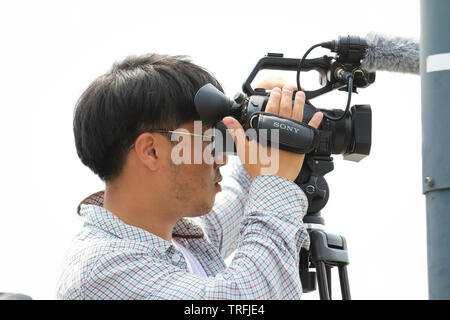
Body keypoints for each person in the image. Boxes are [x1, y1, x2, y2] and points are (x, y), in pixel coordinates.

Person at [56, 53, 323, 299]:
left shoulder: (181, 241)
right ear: (152, 151)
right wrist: (274, 184)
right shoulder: (103, 269)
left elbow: (242, 191)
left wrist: (265, 116)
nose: (221, 158)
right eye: (209, 139)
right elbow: (250, 300)